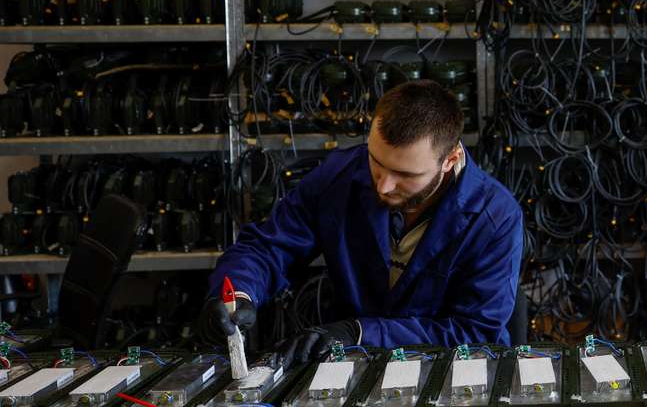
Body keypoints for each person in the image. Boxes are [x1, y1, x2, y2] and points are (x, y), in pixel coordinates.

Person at [195, 80, 523, 363]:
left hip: (451, 376)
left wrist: (362, 332)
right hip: (354, 367)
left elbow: (475, 333)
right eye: (377, 162)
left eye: (405, 176)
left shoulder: (495, 217)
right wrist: (237, 292)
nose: (383, 186)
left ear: (449, 160)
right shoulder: (338, 177)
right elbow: (268, 248)